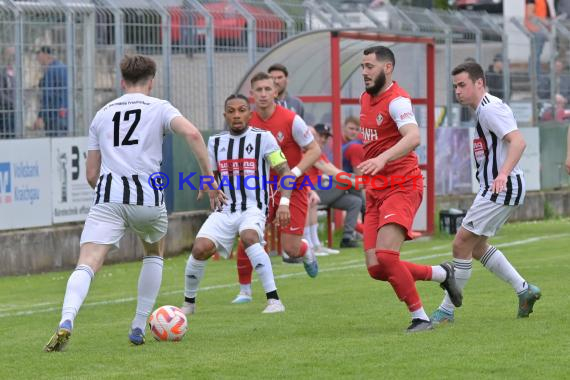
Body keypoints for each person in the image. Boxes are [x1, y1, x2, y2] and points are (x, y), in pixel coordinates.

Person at [44, 55, 223, 351]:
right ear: (151, 81)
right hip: (148, 197)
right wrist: (207, 178)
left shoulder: (102, 113)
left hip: (108, 197)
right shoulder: (160, 107)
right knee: (154, 252)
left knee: (88, 262)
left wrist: (110, 194)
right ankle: (139, 325)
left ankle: (67, 320)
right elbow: (192, 133)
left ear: (121, 81)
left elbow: (91, 173)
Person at [358, 45, 462, 333]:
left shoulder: (398, 101)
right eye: (362, 67)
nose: (364, 72)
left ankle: (420, 318)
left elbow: (413, 137)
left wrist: (380, 158)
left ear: (387, 68)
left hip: (402, 186)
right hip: (376, 190)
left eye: (370, 66)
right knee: (376, 268)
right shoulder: (365, 99)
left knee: (388, 257)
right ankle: (442, 273)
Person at [431, 62, 541, 324]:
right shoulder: (484, 109)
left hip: (501, 187)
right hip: (497, 187)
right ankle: (524, 290)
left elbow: (518, 141)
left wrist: (502, 174)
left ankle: (446, 311)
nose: (457, 91)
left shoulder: (490, 109)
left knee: (460, 244)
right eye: (455, 86)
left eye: (462, 85)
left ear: (479, 83)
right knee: (477, 247)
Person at [182, 94, 293, 315]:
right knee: (199, 248)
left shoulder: (264, 138)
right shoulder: (216, 142)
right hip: (225, 209)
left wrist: (284, 203)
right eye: (231, 111)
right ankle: (188, 305)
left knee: (249, 237)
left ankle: (274, 300)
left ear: (249, 114)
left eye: (241, 110)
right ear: (225, 116)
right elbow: (211, 174)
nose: (236, 115)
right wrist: (207, 184)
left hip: (253, 207)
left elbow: (285, 171)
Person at [231, 72, 321, 304]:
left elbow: (314, 150)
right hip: (259, 189)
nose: (262, 94)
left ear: (275, 92)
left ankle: (305, 249)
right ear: (251, 94)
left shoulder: (291, 120)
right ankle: (244, 291)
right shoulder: (246, 121)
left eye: (267, 89)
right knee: (247, 235)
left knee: (289, 249)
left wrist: (295, 172)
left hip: (292, 188)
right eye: (258, 90)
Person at [309, 123, 362, 248]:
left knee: (355, 201)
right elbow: (329, 171)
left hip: (323, 190)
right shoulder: (309, 149)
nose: (323, 139)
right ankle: (369, 213)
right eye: (320, 136)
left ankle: (347, 238)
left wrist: (352, 180)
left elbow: (333, 169)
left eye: (326, 137)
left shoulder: (319, 151)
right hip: (312, 191)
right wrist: (353, 181)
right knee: (350, 182)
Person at [34, 46, 68, 137]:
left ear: (46, 55)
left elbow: (48, 96)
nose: (37, 59)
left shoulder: (51, 71)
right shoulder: (64, 67)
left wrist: (40, 116)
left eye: (39, 55)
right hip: (65, 114)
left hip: (53, 116)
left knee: (53, 143)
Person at [525, 0, 555, 77]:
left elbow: (543, 13)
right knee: (535, 54)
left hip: (541, 29)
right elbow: (529, 14)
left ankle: (536, 75)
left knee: (537, 53)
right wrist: (544, 21)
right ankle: (534, 76)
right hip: (536, 29)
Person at [0, 46, 15, 138]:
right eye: (9, 55)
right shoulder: (2, 71)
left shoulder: (13, 70)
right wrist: (14, 102)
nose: (12, 57)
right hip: (5, 112)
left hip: (13, 112)